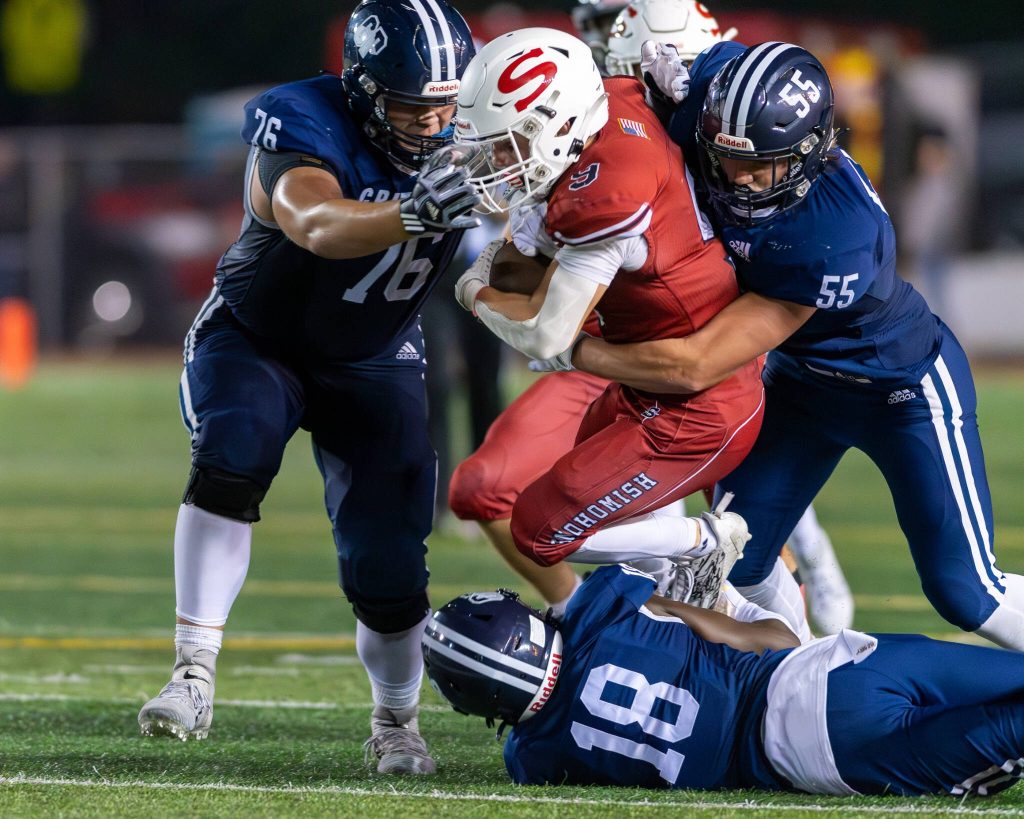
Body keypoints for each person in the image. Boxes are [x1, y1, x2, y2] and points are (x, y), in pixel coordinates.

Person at [532, 40, 1024, 649]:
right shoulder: (718, 105)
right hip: (797, 384)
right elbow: (717, 58)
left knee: (965, 591)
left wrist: (570, 349)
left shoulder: (834, 234)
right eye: (726, 157)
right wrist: (656, 77)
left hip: (901, 388)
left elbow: (696, 365)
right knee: (736, 564)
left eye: (760, 166)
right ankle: (791, 680)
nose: (736, 179)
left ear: (811, 153)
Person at [136, 0, 480, 775]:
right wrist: (412, 212)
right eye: (410, 109)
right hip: (260, 338)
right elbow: (314, 221)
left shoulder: (484, 129)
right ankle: (193, 671)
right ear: (361, 91)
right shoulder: (302, 117)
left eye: (444, 107)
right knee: (233, 448)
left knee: (390, 560)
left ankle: (396, 721)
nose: (432, 126)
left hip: (377, 353)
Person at [446, 0, 738, 621]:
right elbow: (531, 251)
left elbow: (548, 333)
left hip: (686, 387)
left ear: (558, 124)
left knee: (546, 526)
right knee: (658, 586)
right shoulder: (612, 103)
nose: (498, 163)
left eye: (509, 144)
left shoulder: (606, 186)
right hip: (632, 376)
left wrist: (473, 292)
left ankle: (709, 553)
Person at [600, 0, 852, 635]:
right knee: (716, 489)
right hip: (687, 319)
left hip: (740, 318)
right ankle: (736, 602)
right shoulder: (671, 115)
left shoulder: (737, 109)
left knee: (739, 488)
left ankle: (803, 577)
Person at [423, 564, 1024, 797]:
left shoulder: (531, 759)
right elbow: (777, 639)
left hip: (819, 759)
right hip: (840, 669)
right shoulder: (602, 611)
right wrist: (687, 605)